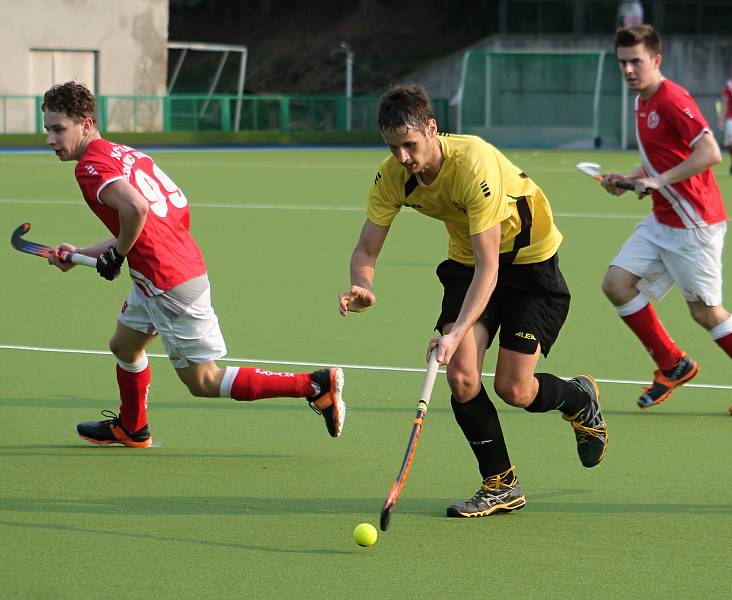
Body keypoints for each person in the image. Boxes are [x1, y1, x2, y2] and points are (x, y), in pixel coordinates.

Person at [338, 84, 608, 519]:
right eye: (393, 148)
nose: (403, 157)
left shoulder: (472, 163)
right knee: (462, 377)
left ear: (432, 128)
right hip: (469, 264)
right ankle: (500, 482)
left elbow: (492, 268)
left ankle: (578, 398)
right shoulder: (392, 175)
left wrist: (455, 332)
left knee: (513, 389)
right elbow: (366, 250)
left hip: (527, 265)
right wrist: (361, 285)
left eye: (410, 145)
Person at [41, 81, 345, 447]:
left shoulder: (90, 167)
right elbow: (160, 215)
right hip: (155, 275)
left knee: (203, 381)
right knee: (124, 346)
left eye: (59, 129)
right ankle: (132, 427)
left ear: (86, 124)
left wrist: (117, 255)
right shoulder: (125, 153)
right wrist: (84, 255)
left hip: (168, 283)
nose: (51, 139)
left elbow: (136, 210)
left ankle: (314, 385)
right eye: (48, 130)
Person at [600, 25, 732, 417]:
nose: (629, 70)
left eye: (636, 61)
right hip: (662, 221)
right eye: (623, 63)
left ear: (656, 60)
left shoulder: (672, 98)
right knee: (617, 284)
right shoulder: (641, 100)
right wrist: (629, 179)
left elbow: (710, 152)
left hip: (694, 226)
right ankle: (673, 364)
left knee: (705, 311)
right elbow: (660, 159)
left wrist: (658, 181)